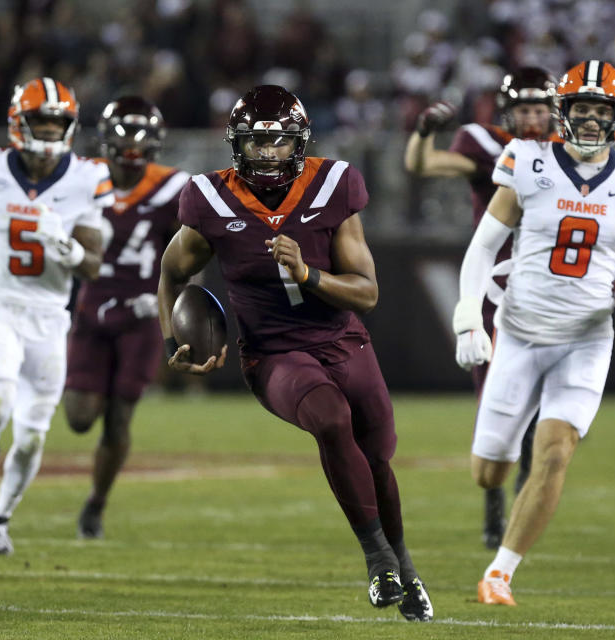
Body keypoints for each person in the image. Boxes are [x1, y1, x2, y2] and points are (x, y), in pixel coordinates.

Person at [157, 85, 434, 621]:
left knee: (377, 456)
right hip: (274, 354)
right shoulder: (211, 199)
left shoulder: (333, 185)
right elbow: (172, 272)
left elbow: (368, 293)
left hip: (344, 341)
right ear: (236, 144)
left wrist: (308, 274)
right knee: (331, 420)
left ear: (298, 142)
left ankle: (406, 566)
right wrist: (174, 339)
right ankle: (378, 559)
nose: (266, 154)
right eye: (255, 143)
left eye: (278, 142)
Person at [453, 61, 615, 605]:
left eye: (602, 111)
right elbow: (483, 246)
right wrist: (467, 316)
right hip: (520, 333)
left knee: (555, 450)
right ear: (562, 112)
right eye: (582, 109)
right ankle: (500, 483)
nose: (592, 120)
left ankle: (500, 572)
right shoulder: (527, 159)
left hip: (587, 338)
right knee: (488, 472)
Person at [0, 77, 114, 555]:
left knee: (32, 440)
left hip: (49, 314)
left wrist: (66, 248)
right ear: (18, 125)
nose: (46, 136)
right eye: (38, 124)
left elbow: (95, 263)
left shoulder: (87, 176)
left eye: (55, 125)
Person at [404, 67, 558, 549]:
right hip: (494, 290)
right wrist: (425, 131)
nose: (532, 118)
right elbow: (423, 165)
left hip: (551, 291)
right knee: (496, 401)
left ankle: (521, 496)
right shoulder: (487, 145)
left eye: (540, 108)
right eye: (525, 109)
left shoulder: (570, 155)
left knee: (543, 410)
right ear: (508, 111)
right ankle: (494, 503)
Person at [62, 96, 189, 539]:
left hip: (140, 314)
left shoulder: (173, 187)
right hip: (92, 306)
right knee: (78, 416)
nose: (131, 151)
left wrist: (168, 301)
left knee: (118, 418)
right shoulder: (82, 178)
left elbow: (190, 256)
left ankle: (96, 504)